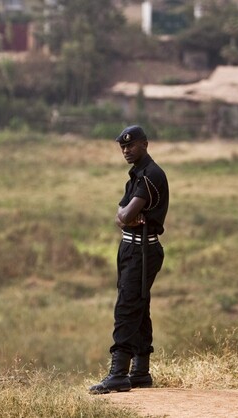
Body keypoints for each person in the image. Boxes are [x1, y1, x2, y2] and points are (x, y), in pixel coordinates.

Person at [89, 125, 169, 395]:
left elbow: (122, 217)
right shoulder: (136, 175)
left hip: (142, 251)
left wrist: (126, 216)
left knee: (127, 308)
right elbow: (120, 215)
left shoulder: (151, 175)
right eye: (123, 146)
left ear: (145, 144)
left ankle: (119, 374)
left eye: (131, 145)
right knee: (139, 306)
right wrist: (125, 215)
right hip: (131, 249)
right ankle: (141, 371)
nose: (126, 150)